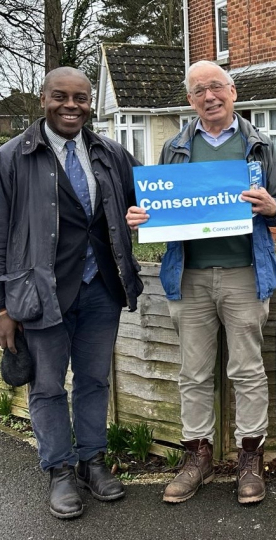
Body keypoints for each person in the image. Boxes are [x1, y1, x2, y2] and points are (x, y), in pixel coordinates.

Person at [126, 60, 276, 505]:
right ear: (190, 100)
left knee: (248, 370)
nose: (209, 96)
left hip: (244, 275)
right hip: (190, 276)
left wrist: (271, 207)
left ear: (233, 92)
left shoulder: (259, 145)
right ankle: (196, 456)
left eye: (216, 87)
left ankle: (250, 459)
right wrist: (143, 217)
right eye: (199, 90)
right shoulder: (174, 148)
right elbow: (159, 209)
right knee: (193, 373)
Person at [0, 67, 144, 519]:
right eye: (60, 97)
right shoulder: (11, 157)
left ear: (90, 104)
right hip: (39, 292)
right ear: (43, 99)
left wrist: (144, 216)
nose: (71, 105)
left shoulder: (111, 153)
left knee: (94, 380)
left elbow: (153, 200)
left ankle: (92, 461)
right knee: (46, 386)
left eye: (80, 98)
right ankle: (60, 470)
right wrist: (3, 305)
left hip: (101, 286)